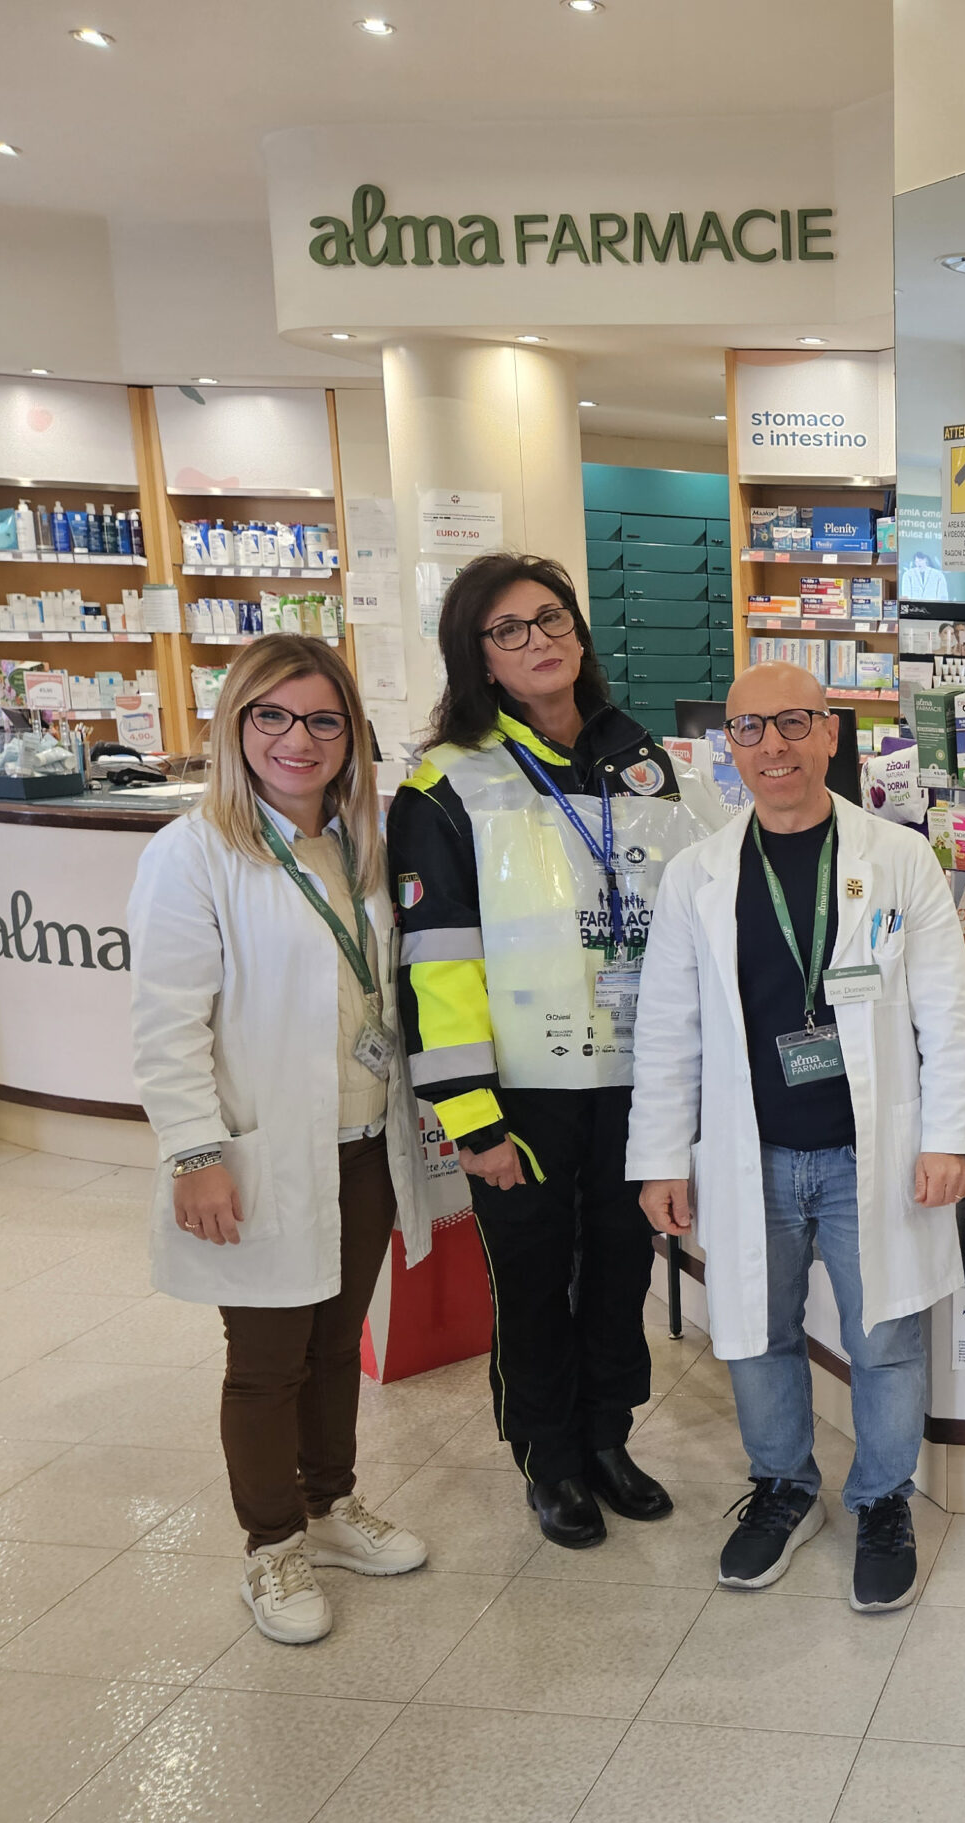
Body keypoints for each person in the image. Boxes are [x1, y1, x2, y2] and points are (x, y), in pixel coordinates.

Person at [630, 661, 965, 1612]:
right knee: (756, 1332)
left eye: (793, 722)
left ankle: (881, 1501)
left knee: (887, 1338)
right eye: (749, 729)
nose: (772, 746)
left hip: (875, 1154)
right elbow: (667, 1030)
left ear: (830, 733)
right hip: (752, 1155)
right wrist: (659, 1157)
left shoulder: (898, 857)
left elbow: (945, 1012)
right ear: (728, 747)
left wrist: (952, 1136)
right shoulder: (697, 875)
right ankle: (785, 1489)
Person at [387, 552, 723, 1550]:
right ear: (478, 658)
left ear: (579, 631)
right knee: (533, 1274)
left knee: (621, 1261)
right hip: (521, 1086)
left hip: (630, 1072)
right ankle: (549, 1457)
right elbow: (437, 964)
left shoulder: (640, 759)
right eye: (508, 630)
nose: (538, 640)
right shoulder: (446, 782)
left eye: (552, 618)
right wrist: (471, 1116)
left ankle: (608, 1436)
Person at [129, 633, 435, 1646]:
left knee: (338, 1345)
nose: (297, 740)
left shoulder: (360, 843)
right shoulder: (193, 853)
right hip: (260, 1148)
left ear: (351, 735)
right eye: (272, 716)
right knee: (267, 1361)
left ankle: (329, 1504)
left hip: (363, 1140)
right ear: (237, 725)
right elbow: (166, 1024)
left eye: (322, 721)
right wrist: (195, 1153)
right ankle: (271, 1545)